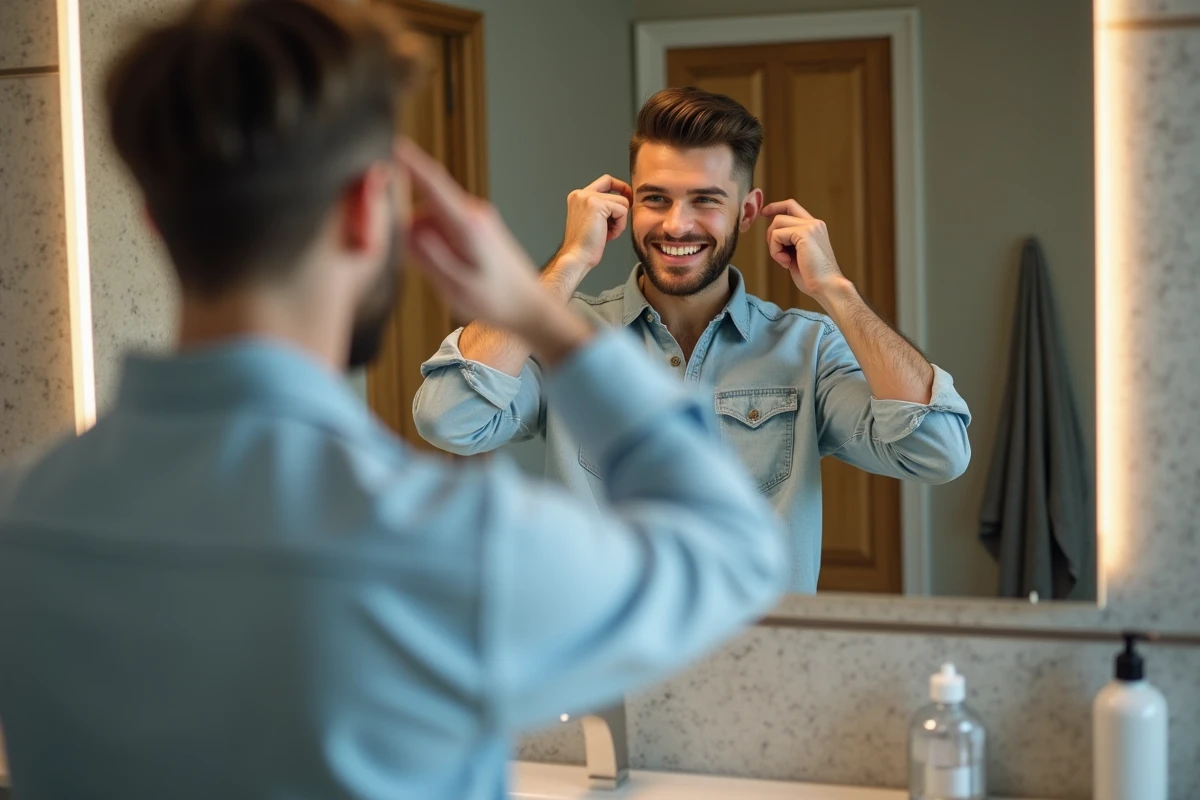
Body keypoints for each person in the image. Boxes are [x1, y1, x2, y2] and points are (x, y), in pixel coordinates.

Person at [0, 4, 788, 799]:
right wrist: (545, 318)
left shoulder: (18, 518)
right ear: (361, 209)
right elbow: (736, 555)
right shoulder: (450, 546)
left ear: (156, 222)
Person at [414, 87, 973, 593]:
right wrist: (569, 262)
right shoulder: (562, 334)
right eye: (656, 199)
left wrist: (836, 290)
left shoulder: (808, 348)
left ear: (747, 212)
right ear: (628, 203)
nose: (676, 225)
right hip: (603, 677)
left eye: (705, 200)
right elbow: (449, 419)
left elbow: (938, 451)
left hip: (756, 680)